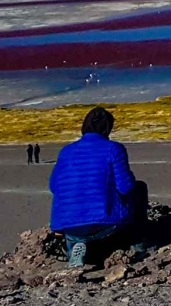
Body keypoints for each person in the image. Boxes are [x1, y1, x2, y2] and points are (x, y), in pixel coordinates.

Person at [48, 107, 147, 266]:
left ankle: (75, 248)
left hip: (68, 226)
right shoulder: (113, 148)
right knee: (140, 188)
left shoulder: (66, 151)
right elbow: (126, 187)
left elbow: (53, 186)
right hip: (105, 224)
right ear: (108, 128)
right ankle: (138, 243)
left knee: (78, 235)